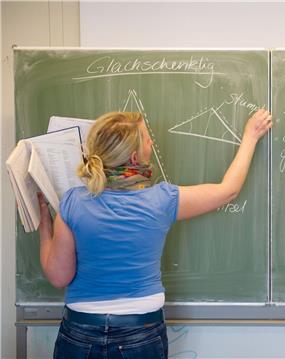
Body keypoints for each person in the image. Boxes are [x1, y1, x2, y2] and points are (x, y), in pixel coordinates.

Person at [38, 109, 272, 358]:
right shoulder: (161, 201)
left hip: (80, 331)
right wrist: (251, 136)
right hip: (140, 332)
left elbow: (59, 277)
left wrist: (45, 221)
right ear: (136, 156)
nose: (152, 141)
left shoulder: (73, 202)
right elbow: (228, 190)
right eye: (147, 138)